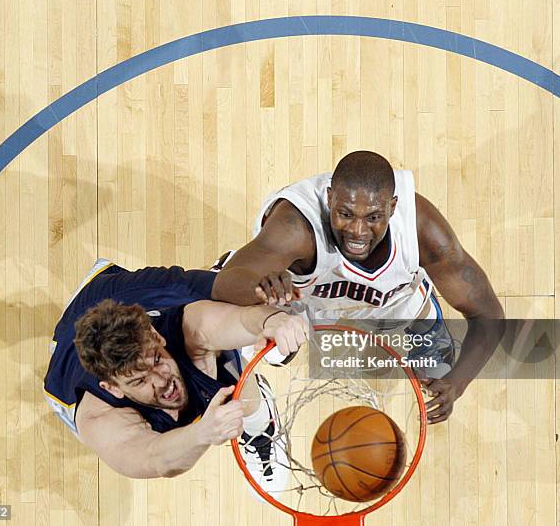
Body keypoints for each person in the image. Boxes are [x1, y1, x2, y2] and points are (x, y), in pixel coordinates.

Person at [211, 150, 505, 423]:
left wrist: (459, 382)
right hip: (303, 294)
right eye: (346, 214)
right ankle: (261, 419)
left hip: (392, 296)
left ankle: (426, 323)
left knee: (431, 350)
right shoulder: (294, 228)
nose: (357, 231)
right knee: (269, 348)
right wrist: (257, 285)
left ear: (392, 207)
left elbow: (488, 315)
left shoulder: (423, 232)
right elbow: (223, 284)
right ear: (329, 199)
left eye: (374, 217)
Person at [44, 258, 308, 490]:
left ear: (156, 336)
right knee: (210, 387)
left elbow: (242, 319)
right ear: (112, 387)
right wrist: (203, 433)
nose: (161, 380)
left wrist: (272, 321)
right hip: (67, 346)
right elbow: (155, 458)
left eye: (157, 359)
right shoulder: (101, 419)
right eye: (139, 380)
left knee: (231, 349)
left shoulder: (188, 327)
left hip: (136, 291)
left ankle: (260, 426)